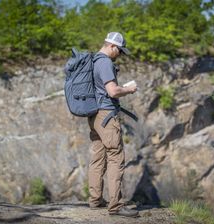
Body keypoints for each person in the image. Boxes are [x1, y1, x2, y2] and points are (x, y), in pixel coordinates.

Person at [87, 32, 139, 218]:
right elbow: (113, 91)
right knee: (116, 158)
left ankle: (95, 200)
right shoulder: (105, 62)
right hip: (107, 116)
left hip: (94, 115)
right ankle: (115, 206)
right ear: (112, 46)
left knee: (98, 158)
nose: (120, 55)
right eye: (120, 51)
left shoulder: (92, 60)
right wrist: (129, 89)